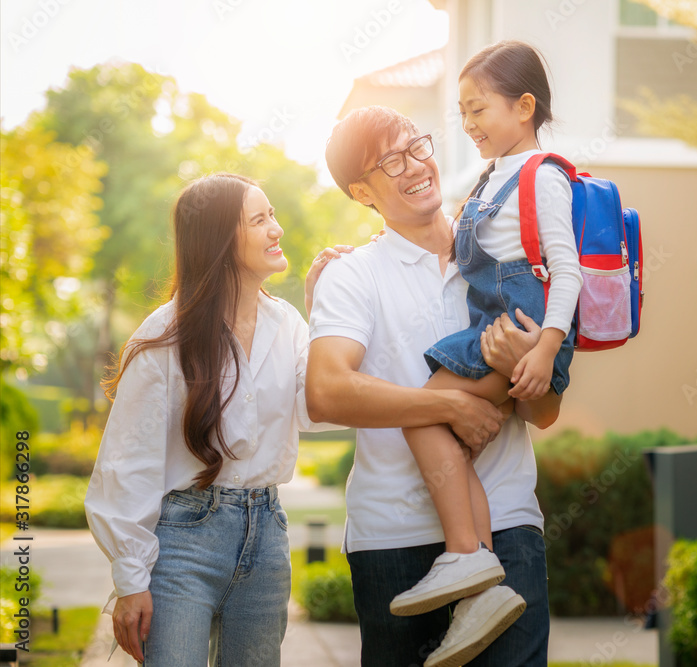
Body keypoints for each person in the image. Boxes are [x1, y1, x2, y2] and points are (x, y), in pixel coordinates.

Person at [307, 101, 564, 665]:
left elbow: (544, 413)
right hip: (394, 533)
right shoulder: (352, 276)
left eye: (416, 147)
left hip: (508, 519)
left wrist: (527, 363)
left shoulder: (501, 257)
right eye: (390, 163)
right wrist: (449, 406)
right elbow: (326, 392)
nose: (415, 166)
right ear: (361, 192)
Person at [85, 173, 345, 666]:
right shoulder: (166, 332)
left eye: (273, 215)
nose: (277, 229)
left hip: (266, 535)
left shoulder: (287, 323)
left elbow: (318, 408)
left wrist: (322, 311)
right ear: (223, 240)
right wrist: (131, 578)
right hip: (183, 542)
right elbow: (128, 460)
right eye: (260, 219)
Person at [391, 38, 582, 663]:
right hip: (497, 326)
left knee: (421, 416)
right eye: (463, 112)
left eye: (480, 109)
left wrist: (544, 348)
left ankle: (468, 561)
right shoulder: (492, 176)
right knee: (439, 430)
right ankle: (477, 581)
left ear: (524, 106)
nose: (469, 123)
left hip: (519, 328)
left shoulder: (543, 174)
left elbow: (567, 271)